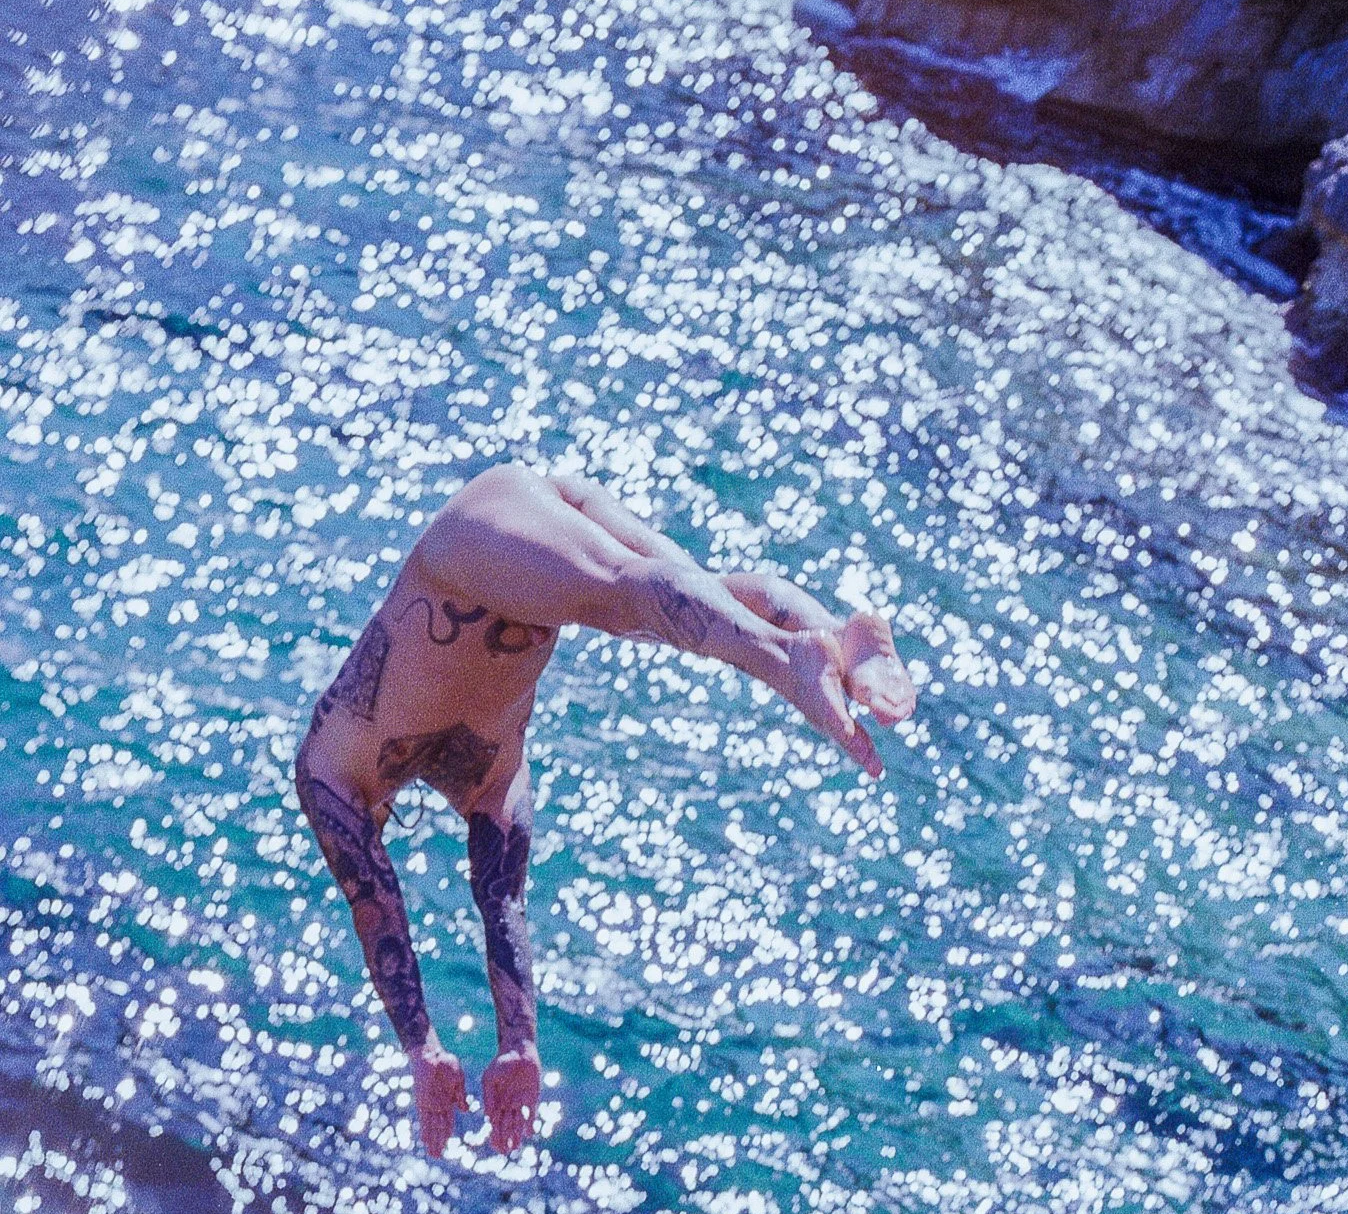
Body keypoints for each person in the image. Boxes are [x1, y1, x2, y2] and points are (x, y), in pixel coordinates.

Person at [295, 464, 917, 1159]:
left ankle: (788, 658)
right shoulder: (489, 777)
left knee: (624, 595)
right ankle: (842, 643)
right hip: (527, 522)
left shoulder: (330, 767)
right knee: (690, 598)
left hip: (467, 550)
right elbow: (500, 904)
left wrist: (423, 1050)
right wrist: (518, 1045)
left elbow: (375, 908)